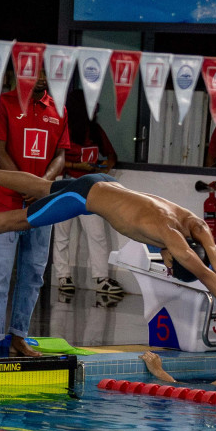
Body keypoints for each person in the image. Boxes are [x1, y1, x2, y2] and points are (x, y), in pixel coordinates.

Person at [0, 156, 216, 342]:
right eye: (170, 267)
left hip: (105, 185)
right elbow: (207, 276)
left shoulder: (194, 226)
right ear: (176, 258)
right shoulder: (173, 238)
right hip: (86, 197)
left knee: (43, 186)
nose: (166, 266)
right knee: (20, 221)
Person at [0, 73, 70, 359]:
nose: (41, 77)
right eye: (35, 70)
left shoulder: (59, 109)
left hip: (42, 206)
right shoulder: (2, 104)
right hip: (6, 205)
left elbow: (61, 157)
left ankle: (19, 337)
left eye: (46, 71)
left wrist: (42, 186)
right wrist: (24, 183)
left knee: (32, 276)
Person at [52, 89, 120, 297]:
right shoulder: (62, 127)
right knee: (62, 233)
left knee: (96, 233)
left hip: (89, 187)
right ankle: (63, 277)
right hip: (65, 184)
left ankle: (101, 279)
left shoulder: (94, 130)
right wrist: (79, 165)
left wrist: (101, 170)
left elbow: (111, 155)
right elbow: (56, 160)